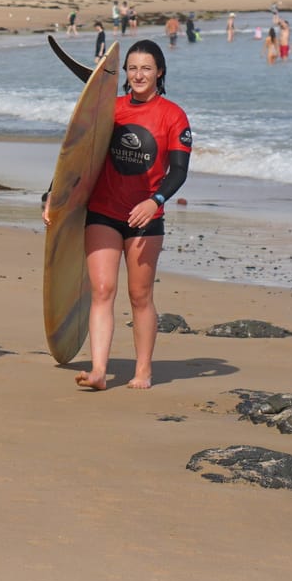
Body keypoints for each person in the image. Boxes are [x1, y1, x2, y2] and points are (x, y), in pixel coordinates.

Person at [50, 40, 190, 391]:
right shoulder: (109, 110)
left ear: (159, 72)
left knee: (140, 295)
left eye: (146, 68)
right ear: (124, 73)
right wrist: (53, 196)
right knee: (101, 289)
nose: (138, 74)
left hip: (146, 217)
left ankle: (143, 370)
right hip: (103, 211)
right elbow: (76, 156)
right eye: (132, 68)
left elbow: (178, 172)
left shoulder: (174, 116)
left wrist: (155, 201)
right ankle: (99, 370)